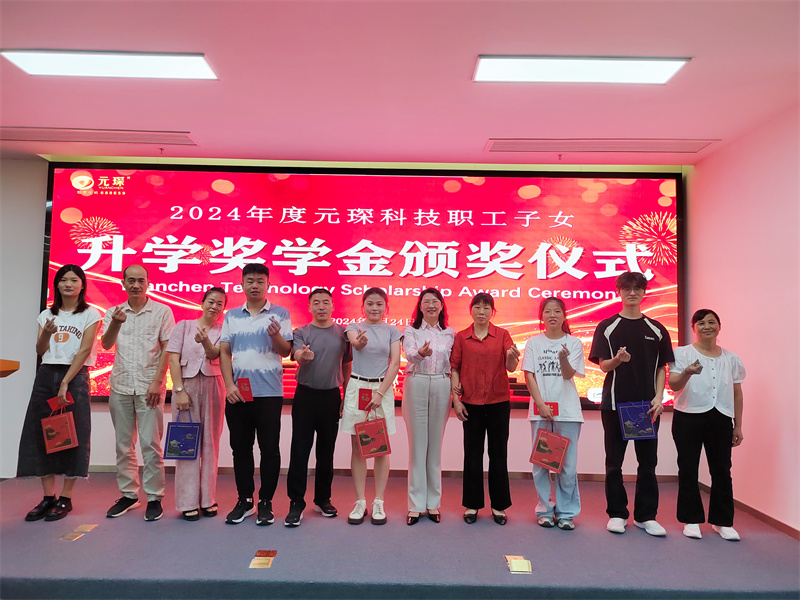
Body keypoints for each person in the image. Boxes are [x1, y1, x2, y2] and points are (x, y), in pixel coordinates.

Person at [589, 271, 674, 537]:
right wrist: (618, 360)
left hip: (646, 408)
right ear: (619, 292)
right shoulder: (607, 326)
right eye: (627, 288)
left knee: (647, 464)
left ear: (644, 292)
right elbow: (603, 366)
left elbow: (661, 368)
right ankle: (617, 514)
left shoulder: (657, 329)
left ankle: (646, 516)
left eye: (637, 288)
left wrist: (659, 397)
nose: (632, 293)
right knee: (614, 463)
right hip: (615, 405)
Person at [17, 264, 101, 521]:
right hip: (46, 374)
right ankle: (47, 497)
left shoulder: (90, 314)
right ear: (56, 285)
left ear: (82, 285)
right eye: (63, 280)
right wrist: (46, 333)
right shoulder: (46, 315)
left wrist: (65, 382)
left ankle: (66, 497)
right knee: (43, 432)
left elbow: (84, 350)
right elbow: (40, 350)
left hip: (75, 376)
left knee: (73, 434)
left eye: (74, 280)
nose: (68, 284)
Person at [219, 263, 292, 525]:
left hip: (269, 393)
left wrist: (276, 336)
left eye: (260, 281)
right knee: (240, 449)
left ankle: (266, 502)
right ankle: (245, 500)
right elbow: (224, 352)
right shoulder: (231, 316)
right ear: (242, 284)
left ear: (268, 284)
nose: (255, 285)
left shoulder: (280, 313)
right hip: (239, 393)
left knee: (269, 449)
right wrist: (229, 386)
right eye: (250, 281)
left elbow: (285, 351)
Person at [102, 265, 175, 522]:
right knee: (123, 445)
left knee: (151, 445)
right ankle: (129, 495)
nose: (136, 285)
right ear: (123, 283)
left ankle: (154, 497)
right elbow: (106, 344)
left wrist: (157, 382)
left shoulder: (162, 311)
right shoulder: (113, 312)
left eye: (140, 280)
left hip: (149, 387)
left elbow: (167, 349)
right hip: (120, 385)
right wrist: (115, 322)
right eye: (131, 280)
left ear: (148, 283)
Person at [669, 309, 745, 541]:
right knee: (688, 468)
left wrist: (738, 425)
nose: (707, 327)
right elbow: (674, 384)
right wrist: (687, 372)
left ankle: (722, 522)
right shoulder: (682, 353)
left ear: (719, 327)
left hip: (721, 418)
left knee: (722, 470)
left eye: (712, 322)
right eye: (701, 323)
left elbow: (737, 393)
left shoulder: (731, 358)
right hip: (688, 416)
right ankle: (690, 520)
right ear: (693, 328)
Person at [284, 288, 352, 527]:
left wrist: (346, 396)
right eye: (316, 303)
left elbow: (347, 366)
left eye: (325, 302)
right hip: (305, 396)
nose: (321, 306)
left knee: (326, 451)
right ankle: (296, 502)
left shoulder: (343, 334)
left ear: (333, 306)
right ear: (309, 307)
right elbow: (297, 355)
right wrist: (303, 356)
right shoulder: (301, 332)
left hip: (331, 397)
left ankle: (323, 499)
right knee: (299, 450)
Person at [450, 293, 520, 526]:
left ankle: (499, 506)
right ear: (471, 310)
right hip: (470, 403)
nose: (481, 311)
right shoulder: (461, 337)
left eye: (486, 307)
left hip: (498, 402)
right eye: (477, 307)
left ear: (492, 311)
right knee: (472, 454)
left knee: (498, 454)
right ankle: (472, 504)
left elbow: (511, 367)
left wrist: (512, 357)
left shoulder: (502, 335)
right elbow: (455, 368)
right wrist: (456, 400)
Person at [523, 298, 585, 530]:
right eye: (547, 311)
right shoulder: (533, 342)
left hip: (568, 412)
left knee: (567, 466)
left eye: (557, 311)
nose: (552, 315)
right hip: (541, 412)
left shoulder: (574, 342)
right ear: (541, 316)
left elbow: (569, 375)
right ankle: (545, 510)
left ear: (564, 315)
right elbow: (529, 375)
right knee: (542, 464)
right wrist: (541, 404)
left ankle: (566, 512)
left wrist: (563, 359)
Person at [341, 287, 401, 525]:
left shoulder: (392, 331)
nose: (374, 308)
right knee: (358, 446)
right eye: (370, 304)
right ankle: (360, 501)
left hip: (381, 389)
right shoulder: (354, 327)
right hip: (358, 387)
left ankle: (378, 501)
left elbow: (394, 364)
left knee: (380, 448)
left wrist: (380, 393)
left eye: (379, 304)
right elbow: (355, 344)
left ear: (386, 307)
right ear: (362, 306)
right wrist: (360, 342)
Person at [166, 287, 227, 521]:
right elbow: (173, 359)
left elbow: (214, 355)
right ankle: (187, 502)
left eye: (220, 303)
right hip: (186, 388)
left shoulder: (224, 330)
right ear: (202, 303)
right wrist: (179, 391)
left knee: (211, 444)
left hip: (214, 387)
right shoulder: (183, 326)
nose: (214, 306)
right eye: (211, 301)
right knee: (185, 444)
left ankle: (207, 499)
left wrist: (206, 342)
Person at [402, 288, 455, 525]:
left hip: (442, 383)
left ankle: (433, 503)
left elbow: (454, 363)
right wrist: (420, 354)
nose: (431, 305)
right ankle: (415, 505)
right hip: (417, 382)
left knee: (435, 447)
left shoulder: (450, 333)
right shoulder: (410, 330)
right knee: (417, 447)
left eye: (435, 301)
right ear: (420, 306)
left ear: (442, 306)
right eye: (426, 302)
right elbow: (410, 354)